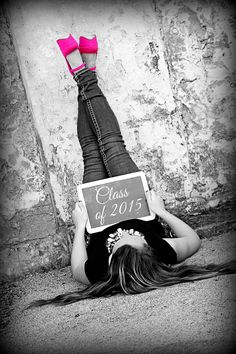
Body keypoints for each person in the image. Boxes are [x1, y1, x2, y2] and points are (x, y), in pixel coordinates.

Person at [29, 34, 235, 307]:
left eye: (115, 246)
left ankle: (86, 72)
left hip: (97, 206)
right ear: (148, 250)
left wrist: (80, 228)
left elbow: (77, 267)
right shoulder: (161, 253)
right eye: (134, 240)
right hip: (135, 198)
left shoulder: (98, 271)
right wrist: (161, 211)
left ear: (110, 261)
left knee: (91, 150)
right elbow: (193, 241)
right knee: (112, 143)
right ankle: (83, 73)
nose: (123, 234)